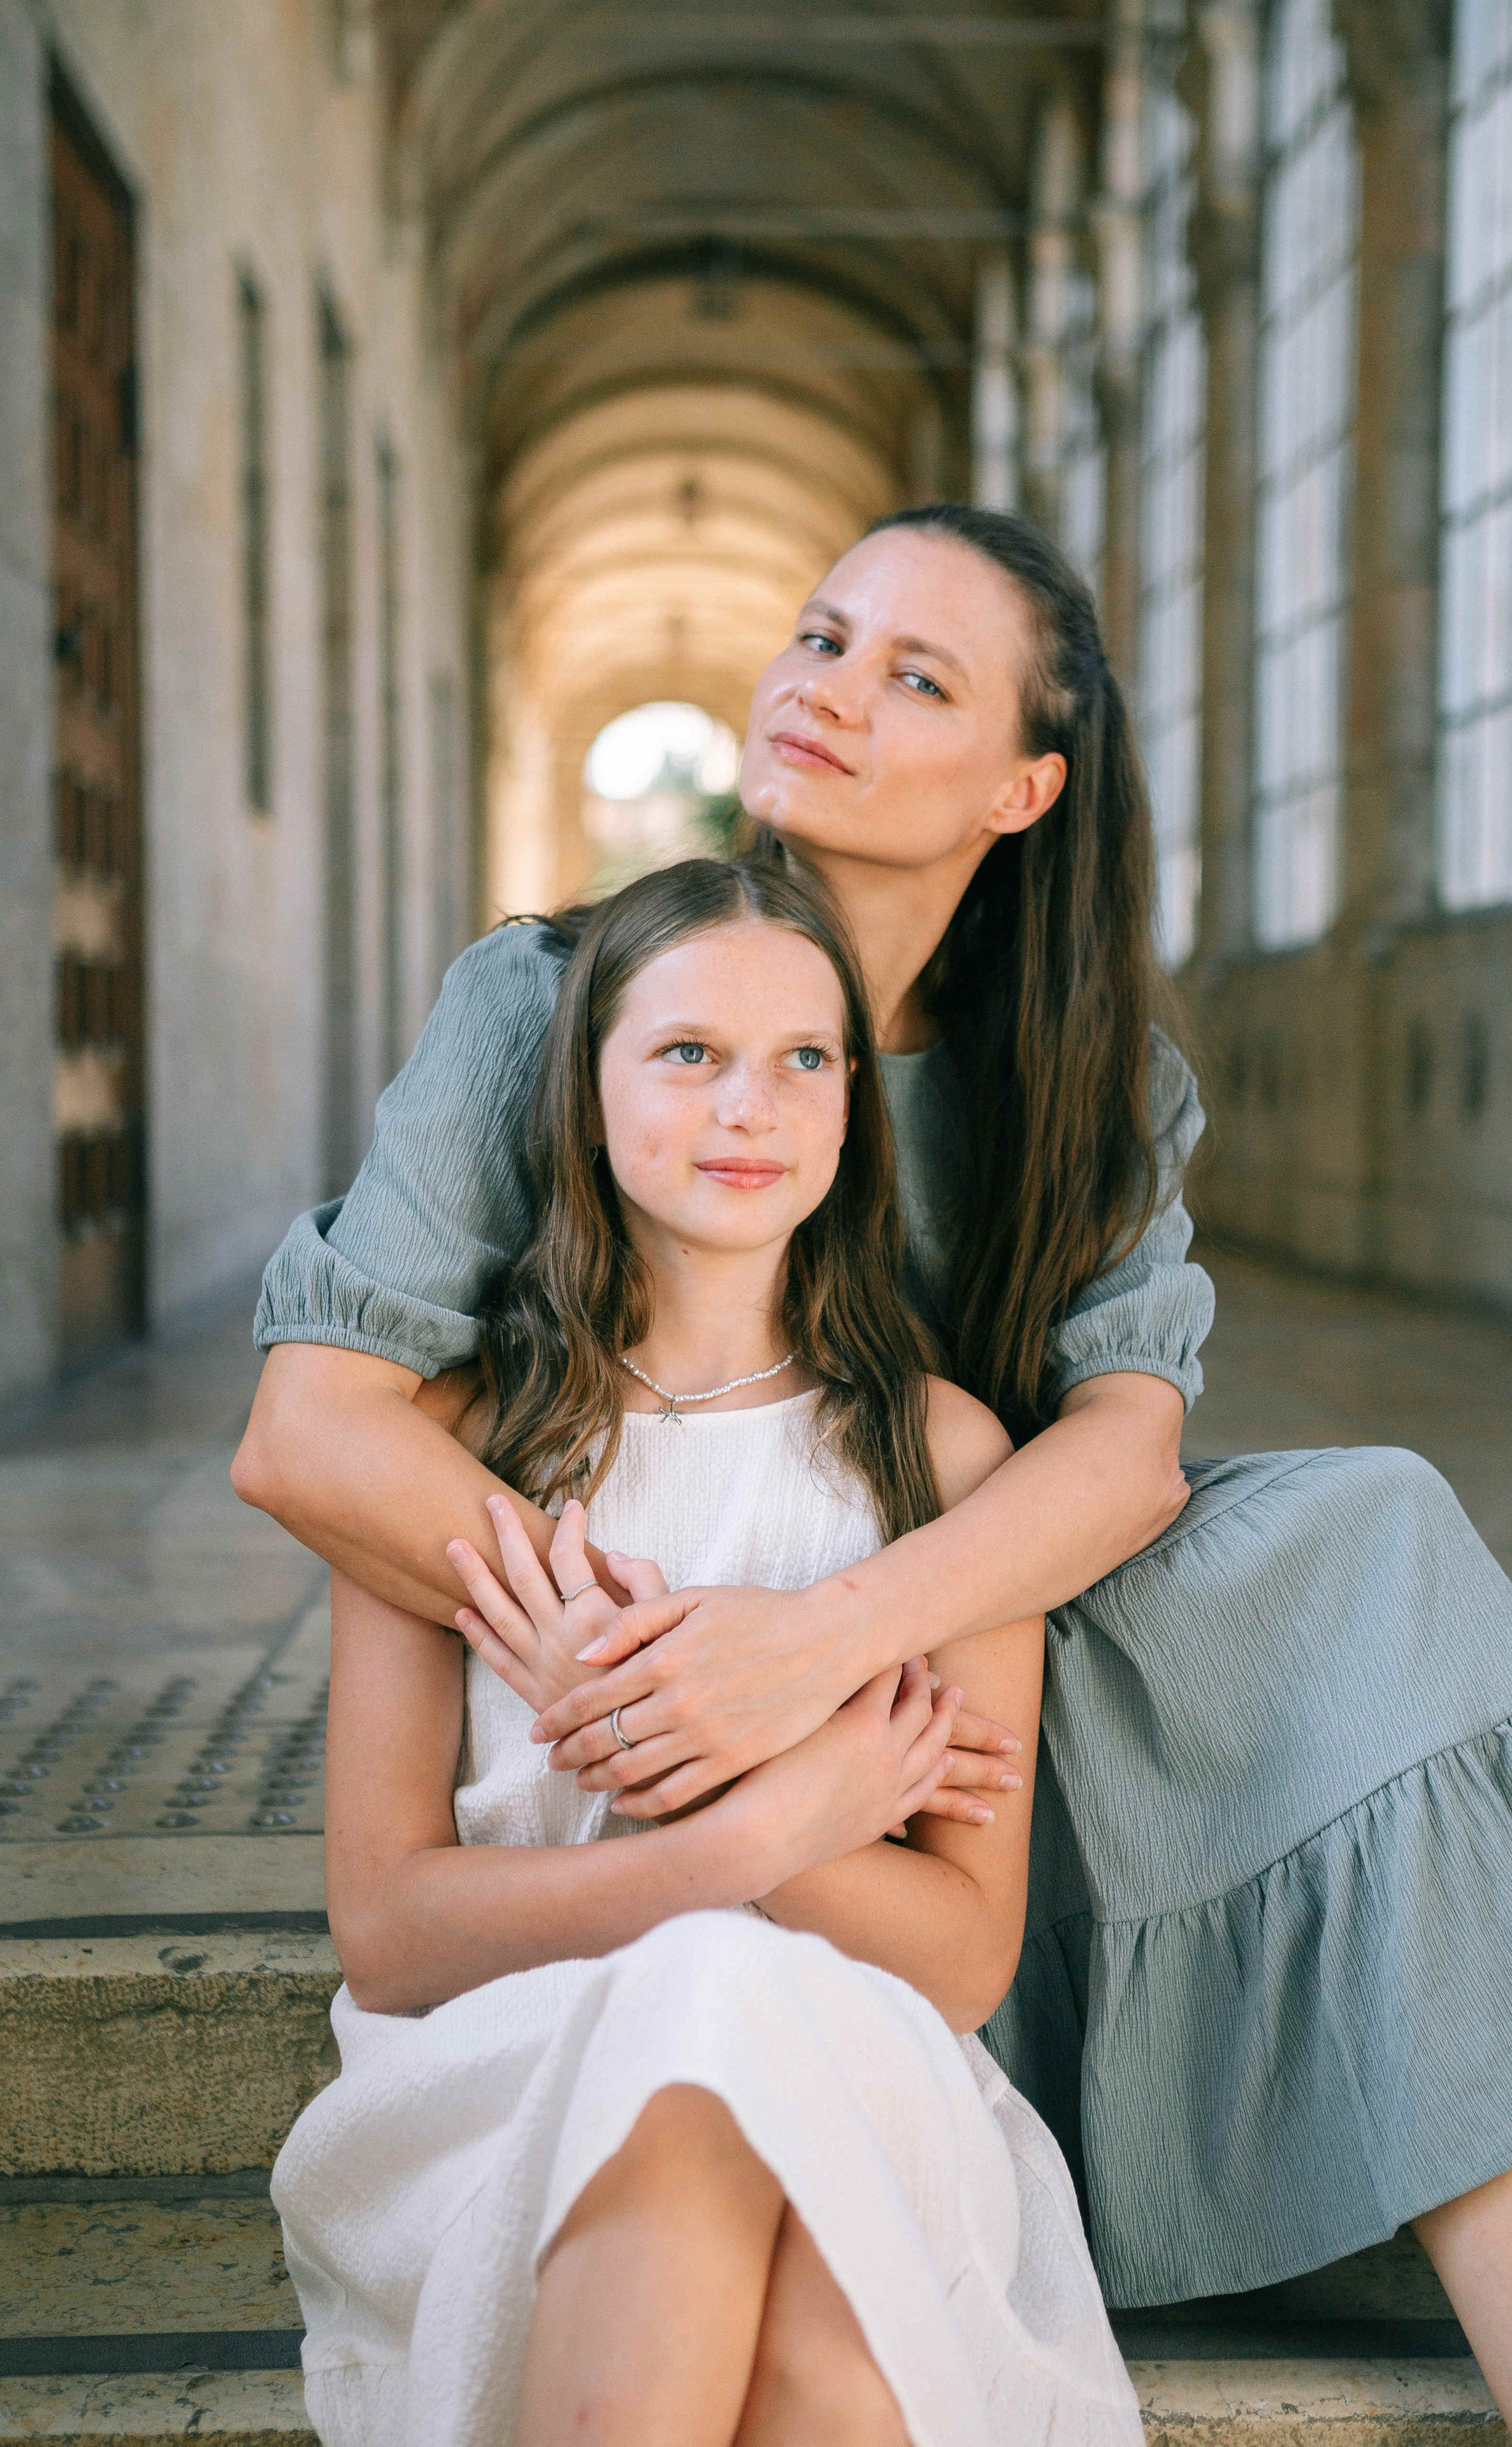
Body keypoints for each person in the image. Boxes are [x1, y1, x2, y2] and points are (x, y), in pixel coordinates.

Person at [240, 503, 1512, 2445]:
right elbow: (308, 1431)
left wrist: (813, 1647)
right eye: (820, 637)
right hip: (647, 1626)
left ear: (1023, 785)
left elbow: (1126, 1457)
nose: (829, 691)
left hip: (943, 1646)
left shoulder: (1090, 1078)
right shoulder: (551, 999)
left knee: (1373, 1546)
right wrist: (630, 1658)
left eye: (916, 678)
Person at [272, 856, 1144, 2447]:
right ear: (584, 1092)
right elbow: (391, 1930)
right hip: (507, 2064)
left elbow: (958, 1954)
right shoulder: (456, 1458)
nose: (749, 1104)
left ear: (846, 1117)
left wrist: (715, 1789)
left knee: (815, 2281)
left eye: (802, 1059)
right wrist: (759, 1820)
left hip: (862, 2053)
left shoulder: (945, 1472)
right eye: (686, 1053)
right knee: (710, 2022)